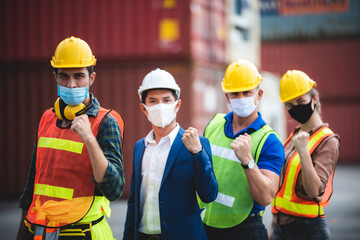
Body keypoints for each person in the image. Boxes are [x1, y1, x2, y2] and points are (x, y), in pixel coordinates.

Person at [16, 36, 125, 240]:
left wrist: (90, 140)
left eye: (79, 76)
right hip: (40, 232)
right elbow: (33, 183)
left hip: (84, 234)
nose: (72, 84)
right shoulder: (47, 118)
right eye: (64, 76)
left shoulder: (106, 122)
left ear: (91, 79)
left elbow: (115, 189)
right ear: (55, 77)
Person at [123, 68, 218, 240]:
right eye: (153, 101)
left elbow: (209, 194)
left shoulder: (198, 145)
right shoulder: (140, 147)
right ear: (144, 109)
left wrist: (197, 153)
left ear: (177, 105)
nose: (160, 106)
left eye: (166, 100)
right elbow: (134, 204)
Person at [198, 59, 285, 240]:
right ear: (227, 97)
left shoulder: (268, 140)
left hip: (244, 229)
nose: (240, 98)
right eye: (235, 93)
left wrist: (247, 161)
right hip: (206, 224)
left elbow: (266, 196)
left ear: (259, 94)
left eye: (247, 92)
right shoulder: (214, 124)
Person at [270, 70, 340, 240]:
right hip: (281, 227)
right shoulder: (293, 136)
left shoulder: (328, 140)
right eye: (290, 105)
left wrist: (303, 151)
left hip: (308, 230)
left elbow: (314, 190)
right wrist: (274, 224)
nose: (296, 107)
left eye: (300, 101)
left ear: (314, 99)